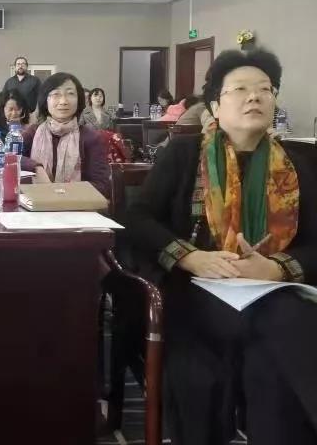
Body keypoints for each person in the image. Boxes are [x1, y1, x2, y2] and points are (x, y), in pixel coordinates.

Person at [127, 48, 317, 445]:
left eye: (265, 89)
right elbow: (139, 220)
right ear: (215, 105)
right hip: (197, 290)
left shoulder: (300, 163)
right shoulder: (185, 153)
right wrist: (190, 257)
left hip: (271, 289)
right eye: (240, 89)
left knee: (272, 359)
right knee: (290, 322)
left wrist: (278, 267)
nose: (255, 97)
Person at [20, 73, 110, 197]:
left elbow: (102, 186)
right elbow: (7, 158)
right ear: (46, 100)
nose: (63, 101)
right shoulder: (33, 133)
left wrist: (59, 192)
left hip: (77, 206)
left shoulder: (91, 137)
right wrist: (36, 167)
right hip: (36, 203)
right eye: (56, 94)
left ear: (79, 100)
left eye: (70, 94)